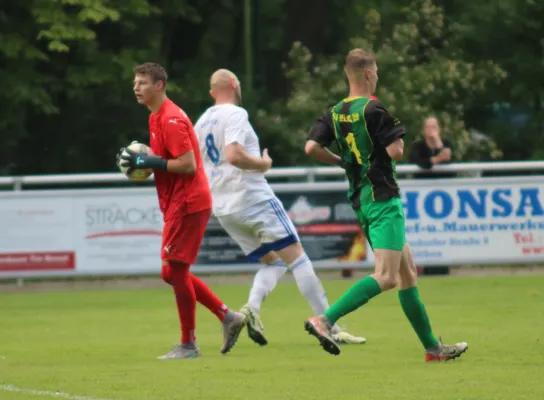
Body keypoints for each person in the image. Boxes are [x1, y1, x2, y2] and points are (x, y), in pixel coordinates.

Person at [303, 49, 468, 362]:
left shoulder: (335, 112)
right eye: (375, 71)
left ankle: (433, 349)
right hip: (383, 198)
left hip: (361, 200)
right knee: (388, 276)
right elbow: (397, 150)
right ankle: (324, 321)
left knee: (407, 273)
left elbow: (311, 147)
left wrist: (343, 161)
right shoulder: (374, 108)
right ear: (368, 74)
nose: (376, 75)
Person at [194, 69, 366, 346]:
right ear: (234, 84)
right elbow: (234, 155)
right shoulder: (236, 114)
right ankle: (328, 325)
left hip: (224, 208)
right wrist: (263, 164)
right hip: (251, 198)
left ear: (212, 92)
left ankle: (251, 309)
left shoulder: (200, 124)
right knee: (298, 258)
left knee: (273, 263)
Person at [117, 62, 246, 359]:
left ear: (159, 85)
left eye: (143, 82)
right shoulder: (156, 118)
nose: (136, 87)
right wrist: (150, 163)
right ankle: (227, 317)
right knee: (172, 271)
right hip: (179, 200)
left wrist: (151, 163)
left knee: (173, 270)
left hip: (188, 201)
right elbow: (168, 162)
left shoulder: (172, 119)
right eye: (135, 82)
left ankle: (189, 344)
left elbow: (187, 165)